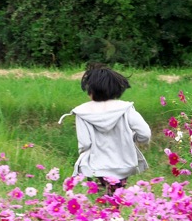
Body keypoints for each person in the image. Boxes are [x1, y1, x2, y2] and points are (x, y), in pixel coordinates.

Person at [59, 63, 151, 193]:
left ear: (91, 90)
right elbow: (145, 134)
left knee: (101, 205)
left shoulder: (83, 112)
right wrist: (133, 139)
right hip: (122, 165)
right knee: (115, 201)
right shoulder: (126, 108)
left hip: (96, 167)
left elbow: (85, 143)